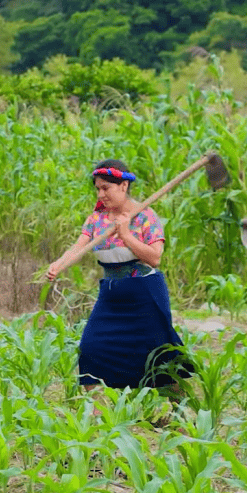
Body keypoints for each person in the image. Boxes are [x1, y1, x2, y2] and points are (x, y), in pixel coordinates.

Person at [47, 159, 193, 398]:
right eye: (98, 189)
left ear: (124, 186)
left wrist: (125, 234)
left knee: (160, 354)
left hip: (145, 292)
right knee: (91, 347)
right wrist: (59, 264)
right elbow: (78, 247)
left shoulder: (145, 216)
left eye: (106, 188)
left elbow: (155, 258)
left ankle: (179, 410)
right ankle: (95, 412)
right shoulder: (97, 220)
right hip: (112, 294)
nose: (101, 194)